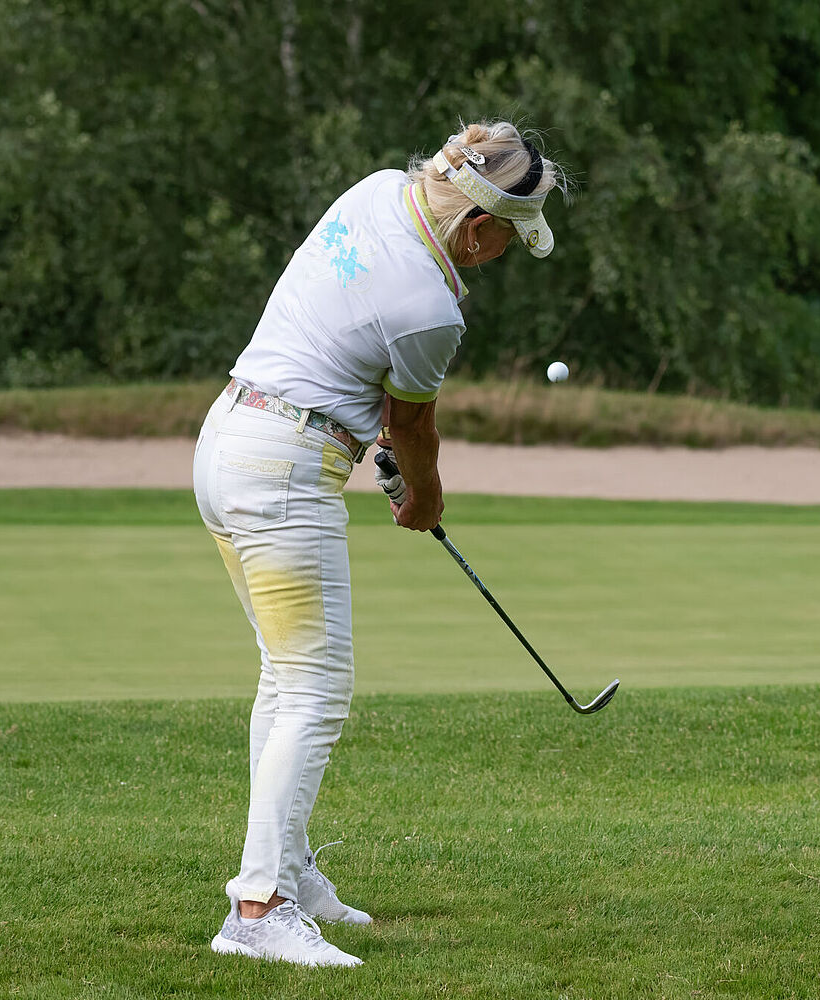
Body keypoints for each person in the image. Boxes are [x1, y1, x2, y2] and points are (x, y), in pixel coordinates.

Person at [192, 120, 564, 967]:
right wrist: (424, 500)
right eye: (510, 236)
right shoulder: (430, 309)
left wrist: (386, 453)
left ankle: (286, 871)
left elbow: (377, 403)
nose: (505, 253)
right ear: (479, 227)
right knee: (316, 689)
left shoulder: (374, 191)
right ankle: (258, 911)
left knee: (284, 677)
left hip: (228, 441)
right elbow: (411, 431)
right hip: (283, 470)